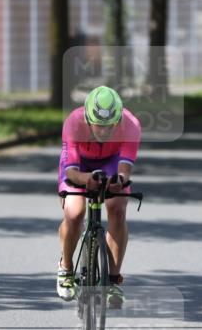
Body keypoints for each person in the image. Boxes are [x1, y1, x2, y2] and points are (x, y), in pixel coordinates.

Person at [57, 86, 141, 307]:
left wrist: (118, 182)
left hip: (111, 163)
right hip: (79, 167)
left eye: (110, 126)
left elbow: (124, 170)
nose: (104, 131)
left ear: (119, 120)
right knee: (74, 212)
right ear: (87, 118)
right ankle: (66, 269)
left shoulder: (131, 125)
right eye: (99, 125)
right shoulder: (73, 123)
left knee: (118, 207)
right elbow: (71, 171)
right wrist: (88, 180)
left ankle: (113, 280)